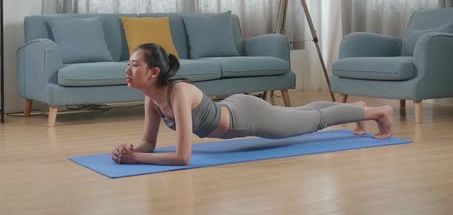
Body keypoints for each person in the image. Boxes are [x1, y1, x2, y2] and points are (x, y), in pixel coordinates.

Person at [112, 43, 393, 166]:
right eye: (129, 64)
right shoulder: (151, 100)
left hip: (247, 117)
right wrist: (130, 149)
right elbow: (148, 142)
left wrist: (136, 159)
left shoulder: (179, 93)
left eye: (134, 65)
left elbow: (182, 157)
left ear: (154, 73)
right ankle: (357, 107)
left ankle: (378, 112)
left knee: (311, 122)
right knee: (302, 113)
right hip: (236, 109)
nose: (127, 70)